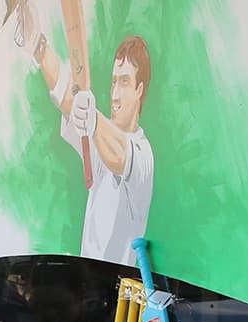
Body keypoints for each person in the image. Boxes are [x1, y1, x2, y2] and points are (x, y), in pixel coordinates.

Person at [16, 4, 154, 266]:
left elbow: (118, 153)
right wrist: (38, 44)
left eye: (124, 82)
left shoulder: (143, 154)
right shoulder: (100, 140)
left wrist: (90, 114)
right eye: (113, 81)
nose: (114, 94)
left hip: (116, 295)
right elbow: (68, 97)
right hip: (86, 285)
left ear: (139, 89)